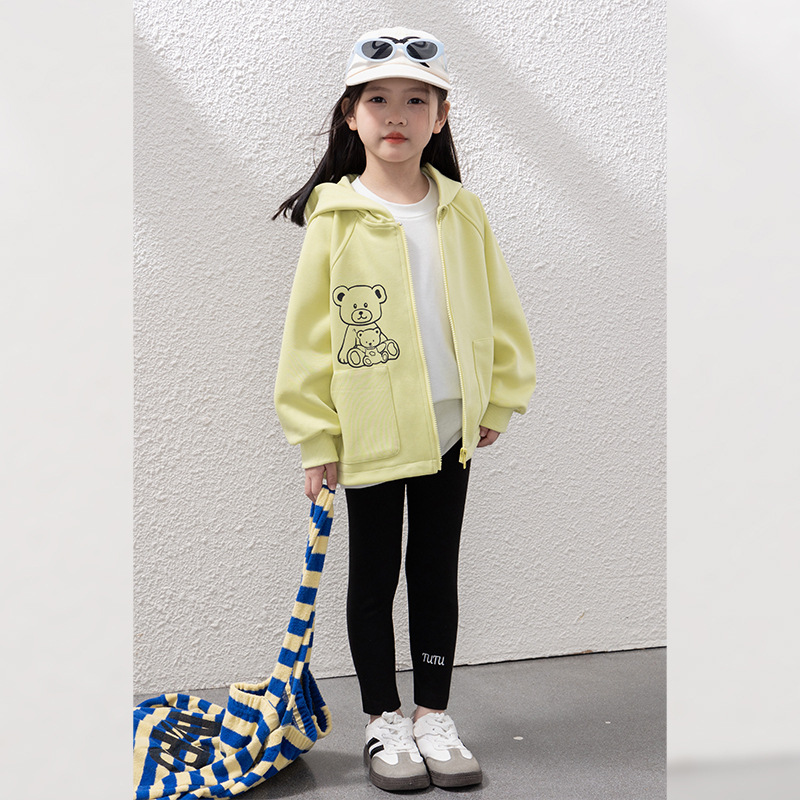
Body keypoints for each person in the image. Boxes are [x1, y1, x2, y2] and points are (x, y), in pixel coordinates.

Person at [273, 27, 536, 792]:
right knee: (374, 574)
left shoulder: (463, 211)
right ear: (350, 116)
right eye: (378, 100)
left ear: (441, 116)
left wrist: (501, 394)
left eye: (416, 100)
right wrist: (315, 436)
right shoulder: (335, 217)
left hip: (452, 428)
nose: (397, 115)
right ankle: (383, 718)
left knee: (435, 570)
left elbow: (499, 310)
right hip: (372, 432)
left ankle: (432, 715)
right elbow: (308, 337)